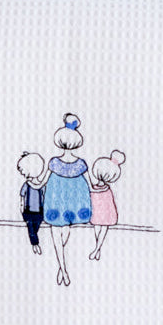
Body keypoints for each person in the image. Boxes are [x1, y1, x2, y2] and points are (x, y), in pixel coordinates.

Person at [43, 113, 91, 286]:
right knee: (65, 230)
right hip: (70, 203)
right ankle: (63, 269)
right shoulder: (81, 164)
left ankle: (61, 268)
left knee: (58, 232)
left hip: (56, 201)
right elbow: (92, 185)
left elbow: (42, 181)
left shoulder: (54, 162)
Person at [88, 150, 125, 260]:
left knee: (99, 227)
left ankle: (97, 249)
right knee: (100, 227)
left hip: (101, 213)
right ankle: (97, 249)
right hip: (99, 213)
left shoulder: (95, 188)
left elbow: (109, 204)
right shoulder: (106, 190)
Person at [17, 152, 47, 255]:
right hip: (28, 211)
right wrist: (21, 208)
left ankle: (35, 243)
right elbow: (22, 196)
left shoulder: (42, 185)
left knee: (35, 228)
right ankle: (35, 244)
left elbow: (44, 198)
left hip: (39, 212)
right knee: (31, 228)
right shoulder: (26, 185)